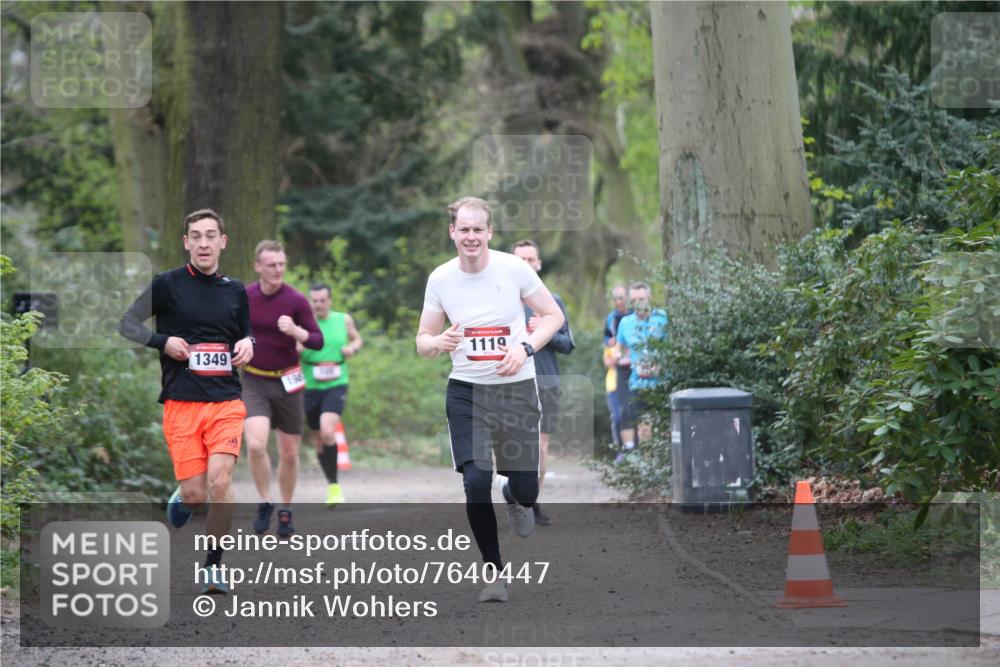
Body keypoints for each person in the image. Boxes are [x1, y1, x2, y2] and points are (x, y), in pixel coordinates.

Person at [416, 196, 564, 603]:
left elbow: (553, 317)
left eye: (478, 230)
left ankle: (516, 496)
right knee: (476, 481)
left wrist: (526, 349)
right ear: (452, 232)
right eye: (463, 229)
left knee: (527, 489)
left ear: (489, 233)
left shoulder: (513, 269)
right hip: (467, 392)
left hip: (516, 390)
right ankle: (494, 573)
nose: (471, 237)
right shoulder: (441, 279)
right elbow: (422, 340)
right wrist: (437, 341)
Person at [119, 208, 254, 594]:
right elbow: (127, 324)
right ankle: (183, 494)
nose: (204, 243)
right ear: (186, 243)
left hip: (226, 402)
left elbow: (245, 334)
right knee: (197, 494)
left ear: (223, 242)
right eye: (196, 236)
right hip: (181, 403)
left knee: (220, 481)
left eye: (211, 235)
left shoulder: (234, 290)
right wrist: (164, 343)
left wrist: (249, 343)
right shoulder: (167, 284)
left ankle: (214, 567)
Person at [243, 240, 324, 537]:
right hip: (253, 380)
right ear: (258, 267)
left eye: (281, 264)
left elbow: (317, 341)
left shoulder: (296, 300)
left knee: (289, 453)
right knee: (255, 444)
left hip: (288, 381)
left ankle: (286, 510)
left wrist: (296, 331)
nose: (278, 270)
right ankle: (265, 500)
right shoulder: (245, 296)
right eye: (272, 265)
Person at [510, 240, 574, 526]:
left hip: (546, 381)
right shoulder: (503, 300)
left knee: (540, 446)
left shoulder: (552, 301)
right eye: (520, 258)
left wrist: (543, 332)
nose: (526, 263)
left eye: (531, 258)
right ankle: (513, 494)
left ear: (538, 264)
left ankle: (532, 502)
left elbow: (567, 344)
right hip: (511, 382)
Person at [299, 283, 362, 506]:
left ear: (330, 300)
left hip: (337, 382)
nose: (318, 304)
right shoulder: (303, 323)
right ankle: (331, 484)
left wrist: (352, 348)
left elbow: (357, 338)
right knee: (318, 439)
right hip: (311, 385)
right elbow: (292, 347)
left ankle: (335, 486)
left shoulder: (343, 319)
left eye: (322, 300)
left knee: (327, 430)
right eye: (314, 301)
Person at [617, 282, 668, 451]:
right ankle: (648, 467)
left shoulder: (663, 318)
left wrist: (660, 364)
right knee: (644, 426)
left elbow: (673, 348)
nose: (638, 302)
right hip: (638, 383)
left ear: (650, 298)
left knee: (664, 427)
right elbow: (621, 350)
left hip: (663, 382)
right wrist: (628, 360)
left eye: (642, 298)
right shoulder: (625, 323)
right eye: (634, 299)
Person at [602, 285, 630, 460]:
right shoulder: (611, 320)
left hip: (632, 380)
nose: (619, 301)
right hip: (614, 381)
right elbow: (608, 359)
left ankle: (633, 451)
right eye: (616, 298)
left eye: (622, 297)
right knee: (618, 417)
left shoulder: (633, 319)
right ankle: (621, 451)